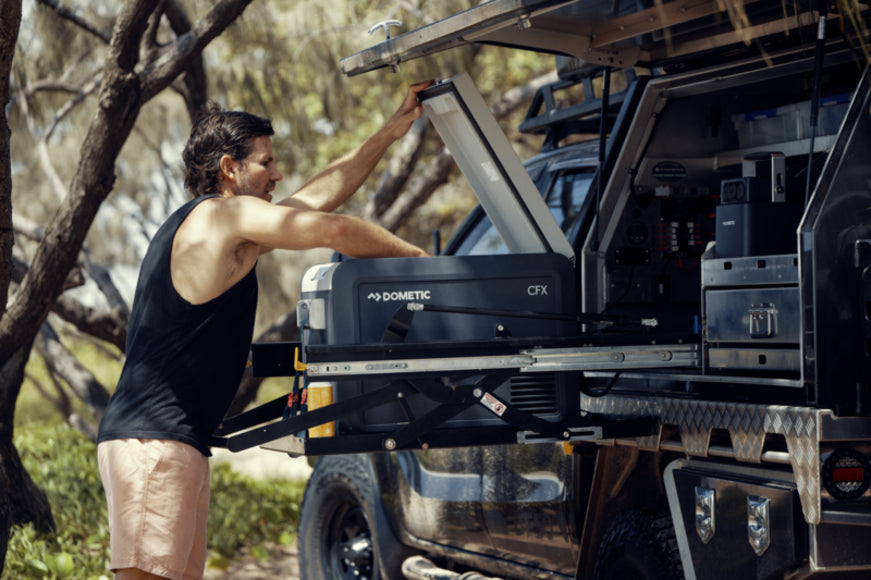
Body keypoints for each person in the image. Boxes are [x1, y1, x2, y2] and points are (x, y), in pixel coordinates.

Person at [96, 81, 433, 580]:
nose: (277, 173)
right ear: (229, 169)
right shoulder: (221, 217)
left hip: (169, 443)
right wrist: (426, 264)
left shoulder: (222, 228)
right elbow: (335, 230)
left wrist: (390, 131)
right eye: (265, 163)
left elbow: (315, 200)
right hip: (154, 447)